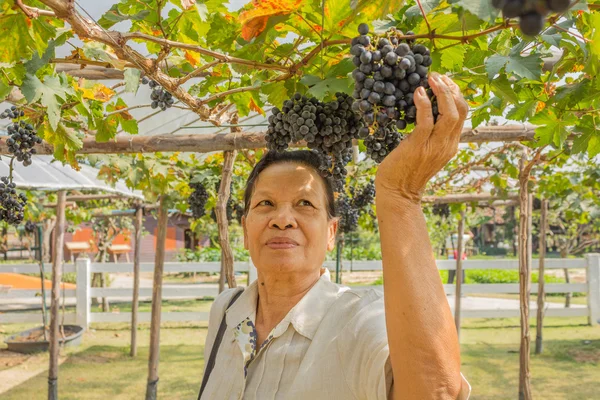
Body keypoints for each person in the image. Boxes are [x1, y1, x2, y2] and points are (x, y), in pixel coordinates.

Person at [199, 73, 472, 399]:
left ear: (331, 233)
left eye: (304, 204)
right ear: (245, 230)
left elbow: (434, 392)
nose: (282, 220)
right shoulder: (225, 310)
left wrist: (401, 196)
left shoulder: (362, 319)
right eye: (266, 204)